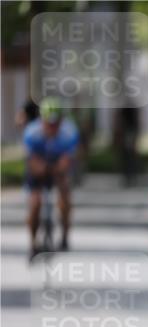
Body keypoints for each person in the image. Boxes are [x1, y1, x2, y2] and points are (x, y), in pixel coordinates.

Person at [23, 97, 79, 259]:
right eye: (49, 123)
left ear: (62, 120)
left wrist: (58, 170)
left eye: (56, 124)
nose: (52, 128)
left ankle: (65, 237)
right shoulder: (32, 132)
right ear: (41, 120)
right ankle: (33, 244)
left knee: (65, 197)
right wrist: (41, 169)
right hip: (37, 164)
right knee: (35, 202)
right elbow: (32, 162)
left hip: (59, 163)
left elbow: (67, 161)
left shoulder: (69, 132)